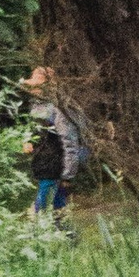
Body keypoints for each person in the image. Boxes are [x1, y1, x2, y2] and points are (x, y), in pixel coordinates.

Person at [23, 63, 90, 225]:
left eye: (36, 86)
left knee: (39, 213)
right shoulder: (37, 106)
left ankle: (38, 242)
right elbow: (36, 132)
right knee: (58, 212)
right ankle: (70, 242)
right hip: (45, 165)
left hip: (55, 168)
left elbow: (70, 142)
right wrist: (28, 140)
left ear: (47, 86)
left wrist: (68, 174)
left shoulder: (59, 109)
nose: (32, 89)